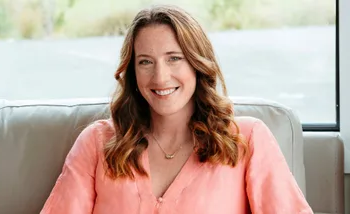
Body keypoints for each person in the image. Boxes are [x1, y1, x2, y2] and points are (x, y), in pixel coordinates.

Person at [40, 5, 313, 214]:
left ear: (197, 64)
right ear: (133, 72)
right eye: (145, 62)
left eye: (174, 58)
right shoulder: (97, 143)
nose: (160, 77)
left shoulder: (247, 139)